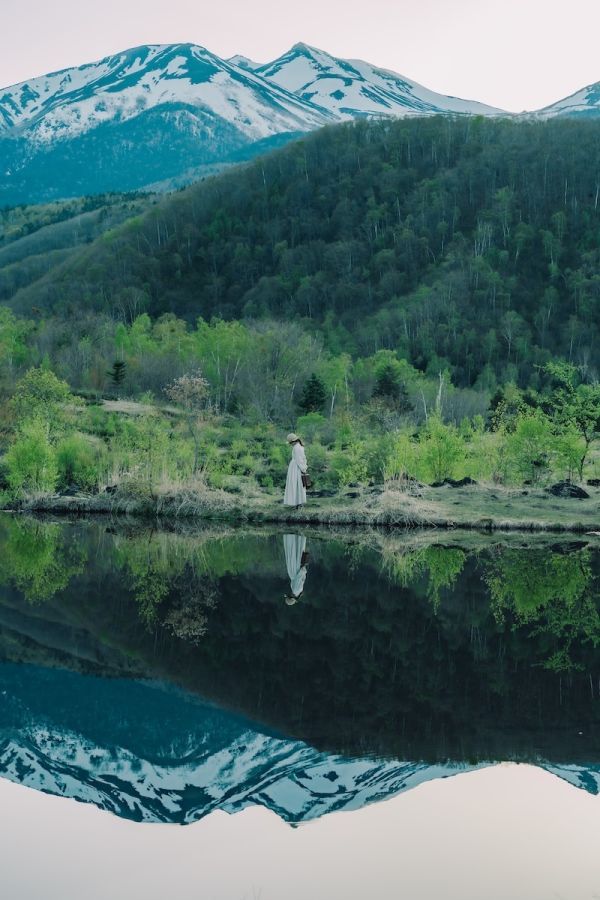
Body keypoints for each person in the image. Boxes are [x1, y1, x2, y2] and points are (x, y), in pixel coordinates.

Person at [283, 433, 308, 508]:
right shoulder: (300, 447)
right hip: (297, 466)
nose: (290, 444)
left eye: (290, 442)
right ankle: (299, 503)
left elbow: (299, 460)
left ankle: (297, 503)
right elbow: (303, 459)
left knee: (295, 484)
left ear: (293, 442)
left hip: (295, 467)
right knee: (299, 485)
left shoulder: (296, 448)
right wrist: (304, 467)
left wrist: (303, 469)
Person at [283, 533, 309, 604]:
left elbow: (302, 578)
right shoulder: (295, 590)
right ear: (291, 596)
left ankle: (297, 537)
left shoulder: (298, 591)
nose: (289, 593)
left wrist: (303, 570)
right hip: (295, 570)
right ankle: (293, 538)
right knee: (294, 554)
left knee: (297, 553)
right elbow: (299, 578)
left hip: (296, 571)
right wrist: (302, 569)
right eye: (289, 595)